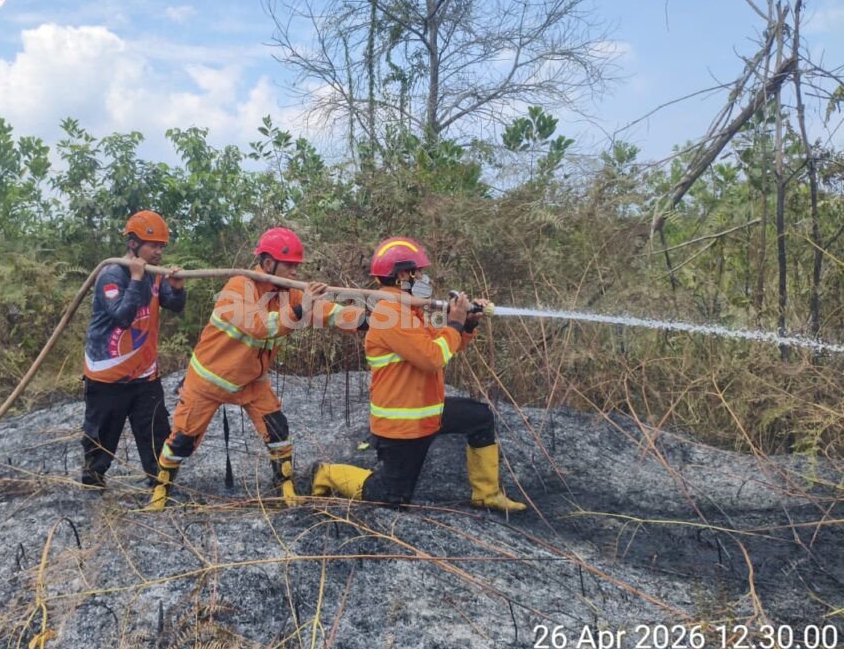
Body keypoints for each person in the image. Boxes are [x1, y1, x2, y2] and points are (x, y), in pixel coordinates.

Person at [147, 227, 365, 510]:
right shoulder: (239, 287)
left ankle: (284, 489)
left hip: (251, 381)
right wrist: (300, 310)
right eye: (290, 265)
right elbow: (259, 326)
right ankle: (160, 491)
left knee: (278, 430)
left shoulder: (287, 292)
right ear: (267, 263)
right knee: (182, 440)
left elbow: (327, 312)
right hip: (210, 381)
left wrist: (365, 320)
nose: (296, 272)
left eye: (298, 266)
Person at [310, 236, 526, 512]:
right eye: (420, 272)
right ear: (403, 275)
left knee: (479, 417)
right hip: (402, 426)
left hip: (427, 412)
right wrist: (455, 323)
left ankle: (486, 494)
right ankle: (326, 473)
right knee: (391, 497)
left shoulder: (409, 311)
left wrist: (466, 326)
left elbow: (442, 343)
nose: (424, 277)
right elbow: (432, 358)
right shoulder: (391, 315)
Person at [81, 210, 185, 489]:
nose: (158, 252)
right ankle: (92, 486)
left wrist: (177, 288)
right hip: (107, 376)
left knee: (156, 435)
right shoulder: (111, 274)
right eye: (153, 246)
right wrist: (137, 280)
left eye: (162, 247)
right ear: (133, 244)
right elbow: (123, 316)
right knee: (101, 439)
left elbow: (174, 305)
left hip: (144, 376)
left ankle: (161, 486)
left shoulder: (154, 275)